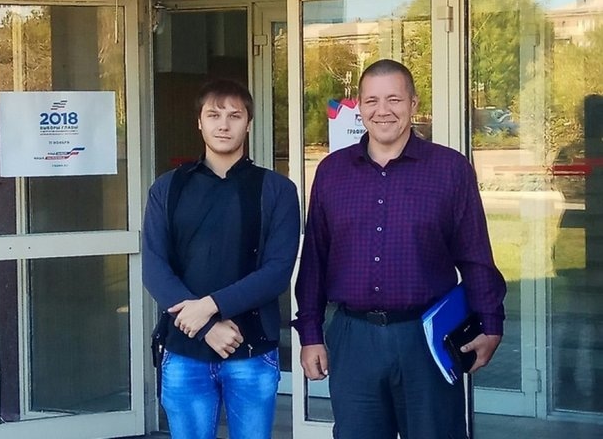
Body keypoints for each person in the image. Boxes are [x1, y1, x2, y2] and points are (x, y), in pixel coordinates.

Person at [292, 59, 507, 439]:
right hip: (353, 339)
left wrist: (491, 322)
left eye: (394, 99)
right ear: (360, 106)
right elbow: (314, 261)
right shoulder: (332, 172)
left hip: (426, 338)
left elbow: (475, 254)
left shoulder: (450, 170)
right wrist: (310, 333)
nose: (383, 110)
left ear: (413, 104)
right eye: (372, 100)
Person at [142, 78, 300, 439]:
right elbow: (154, 267)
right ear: (199, 122)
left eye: (234, 115)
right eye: (214, 115)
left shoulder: (277, 189)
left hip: (251, 351)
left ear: (249, 123)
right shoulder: (168, 187)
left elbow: (277, 271)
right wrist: (206, 326)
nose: (224, 125)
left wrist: (210, 306)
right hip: (185, 352)